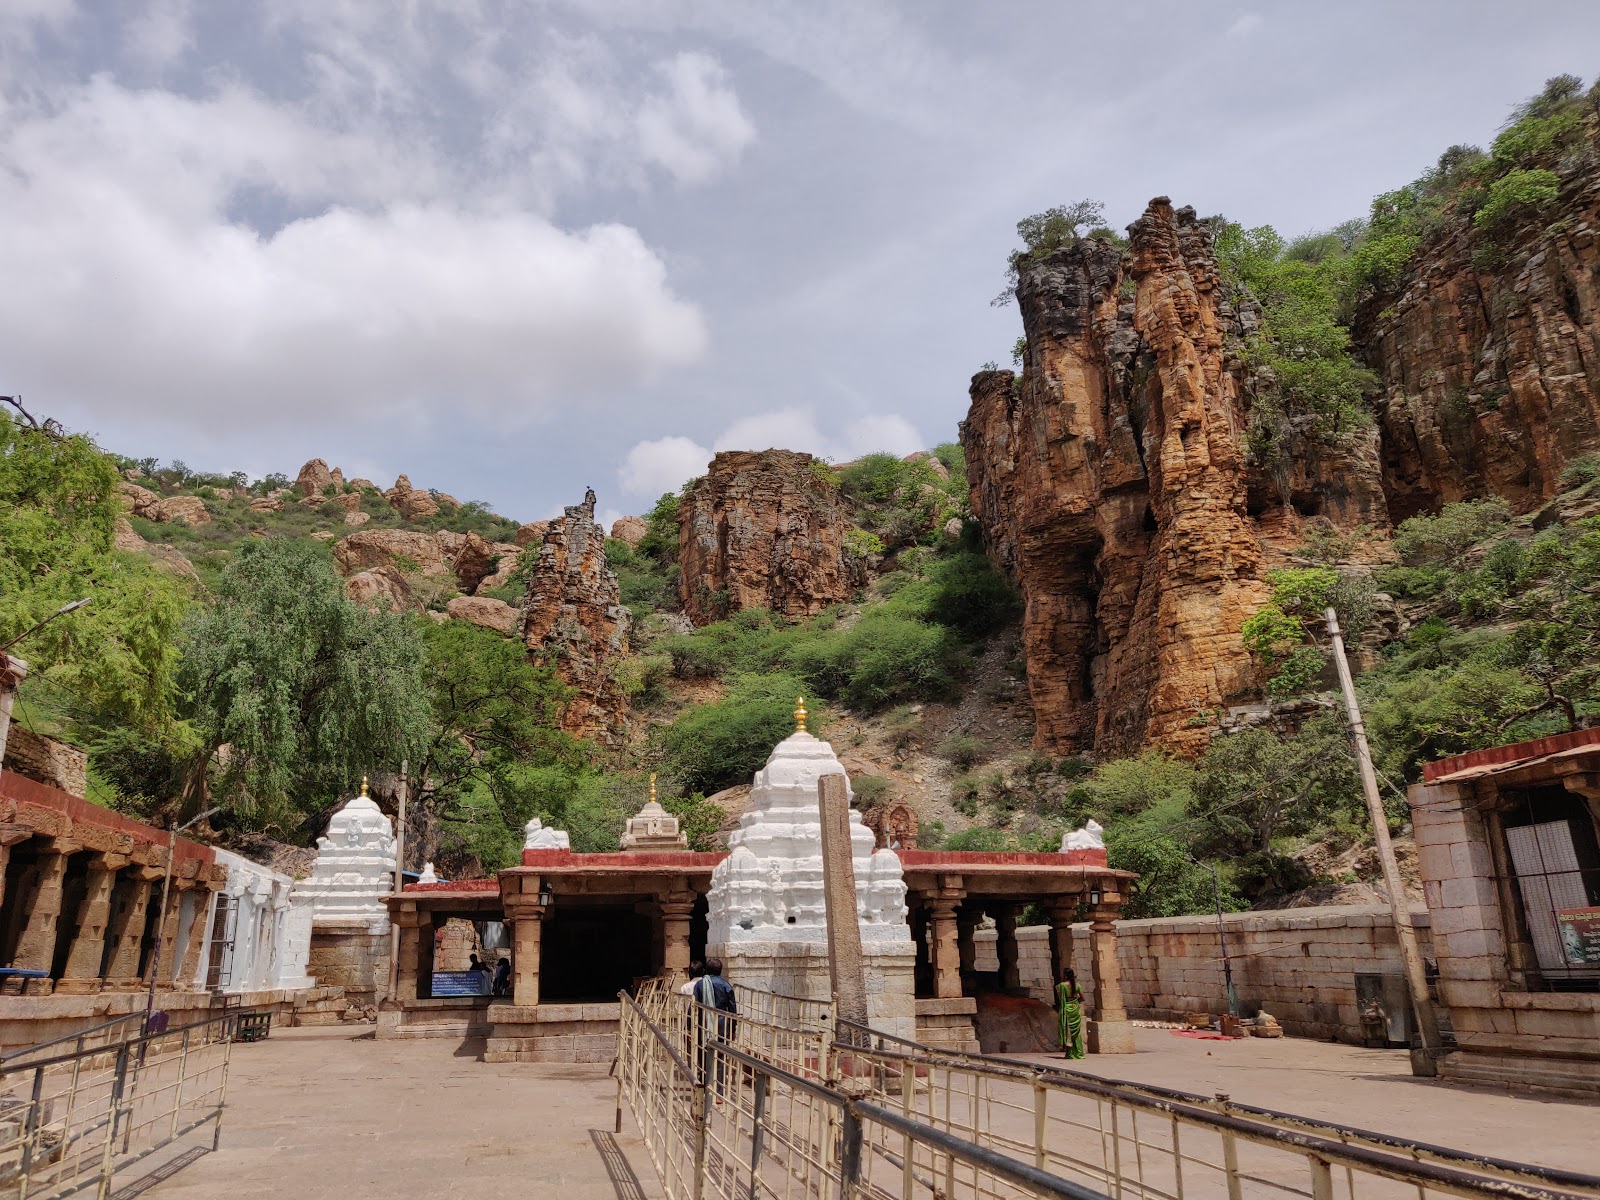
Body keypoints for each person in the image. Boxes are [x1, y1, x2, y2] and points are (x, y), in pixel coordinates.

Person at [692, 958, 738, 1095]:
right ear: (720, 971)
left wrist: (690, 1025)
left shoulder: (700, 985)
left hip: (704, 1024)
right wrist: (733, 1029)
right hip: (722, 1026)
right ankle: (718, 1091)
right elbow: (732, 1009)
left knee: (704, 1053)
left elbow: (694, 1006)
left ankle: (707, 1085)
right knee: (721, 1057)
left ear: (706, 970)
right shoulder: (726, 985)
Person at [1055, 967, 1086, 1060]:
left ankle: (1070, 1053)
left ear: (1065, 975)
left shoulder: (1062, 986)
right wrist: (1075, 1002)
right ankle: (1079, 1053)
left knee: (1068, 1031)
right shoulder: (1077, 985)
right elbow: (1083, 998)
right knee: (1076, 1032)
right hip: (1075, 1008)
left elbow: (1061, 998)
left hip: (1067, 1009)